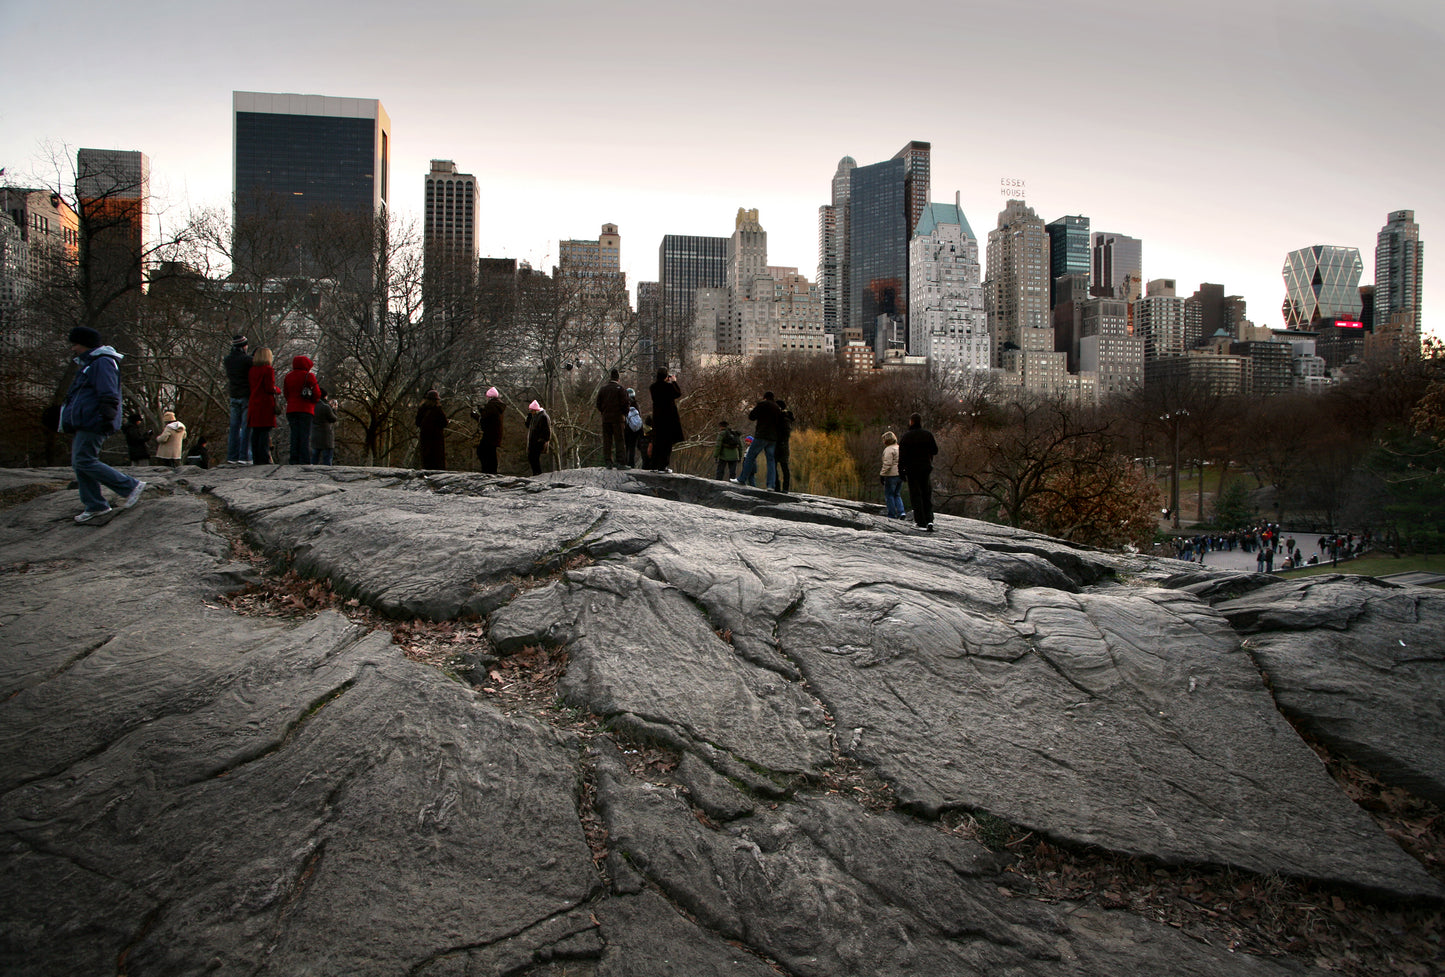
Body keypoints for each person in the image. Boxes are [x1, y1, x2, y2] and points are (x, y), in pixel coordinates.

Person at [59, 326, 146, 523]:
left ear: (85, 344)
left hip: (95, 419)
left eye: (76, 344)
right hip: (86, 419)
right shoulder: (91, 363)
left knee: (83, 460)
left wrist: (108, 411)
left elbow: (107, 390)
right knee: (80, 463)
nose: (73, 349)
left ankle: (129, 486)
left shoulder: (102, 362)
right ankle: (95, 504)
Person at [734, 391, 784, 490]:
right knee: (771, 461)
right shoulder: (777, 408)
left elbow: (752, 416)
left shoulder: (762, 405)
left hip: (762, 435)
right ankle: (771, 485)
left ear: (765, 398)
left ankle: (742, 479)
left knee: (750, 456)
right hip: (773, 438)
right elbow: (780, 424)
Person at [898, 412, 938, 531]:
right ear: (921, 422)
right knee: (926, 494)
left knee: (916, 495)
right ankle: (929, 520)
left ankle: (920, 521)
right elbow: (935, 450)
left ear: (911, 422)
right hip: (925, 467)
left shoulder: (906, 436)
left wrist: (901, 471)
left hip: (912, 469)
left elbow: (902, 456)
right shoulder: (928, 435)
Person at [282, 354, 320, 464]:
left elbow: (286, 393)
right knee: (304, 435)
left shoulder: (288, 376)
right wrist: (313, 401)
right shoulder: (309, 376)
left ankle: (294, 458)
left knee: (294, 434)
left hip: (292, 409)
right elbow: (317, 393)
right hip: (306, 409)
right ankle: (304, 459)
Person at [248, 347, 281, 465]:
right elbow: (269, 387)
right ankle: (264, 457)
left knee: (256, 432)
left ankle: (256, 457)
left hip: (254, 402)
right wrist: (277, 390)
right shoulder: (268, 370)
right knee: (264, 432)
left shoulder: (252, 370)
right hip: (265, 404)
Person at [223, 335, 253, 463]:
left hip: (233, 394)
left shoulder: (227, 360)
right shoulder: (247, 360)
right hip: (246, 395)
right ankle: (243, 456)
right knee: (246, 427)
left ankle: (232, 456)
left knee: (234, 427)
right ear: (243, 346)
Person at [648, 369, 683, 472]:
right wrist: (674, 381)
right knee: (667, 443)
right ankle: (663, 466)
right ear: (666, 377)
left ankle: (654, 465)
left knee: (657, 441)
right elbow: (678, 393)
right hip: (668, 419)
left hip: (657, 418)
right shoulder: (668, 387)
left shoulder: (653, 387)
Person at [595, 368, 629, 469]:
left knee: (607, 441)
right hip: (618, 419)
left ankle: (608, 462)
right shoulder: (621, 389)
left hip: (606, 419)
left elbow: (598, 404)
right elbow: (625, 404)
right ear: (618, 378)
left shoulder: (603, 389)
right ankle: (621, 462)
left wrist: (604, 412)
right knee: (619, 441)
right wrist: (624, 414)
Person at [472, 386, 505, 474]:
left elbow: (484, 418)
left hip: (490, 434)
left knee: (482, 452)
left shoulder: (492, 406)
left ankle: (488, 471)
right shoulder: (497, 406)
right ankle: (491, 471)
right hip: (495, 434)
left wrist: (477, 413)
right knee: (491, 453)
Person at [415, 389, 449, 469]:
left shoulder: (422, 409)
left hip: (425, 437)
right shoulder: (437, 410)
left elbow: (417, 422)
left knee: (426, 457)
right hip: (436, 439)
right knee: (437, 459)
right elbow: (444, 423)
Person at [880, 430, 905, 519]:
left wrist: (882, 475)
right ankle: (901, 512)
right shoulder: (899, 448)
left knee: (889, 495)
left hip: (891, 475)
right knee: (897, 494)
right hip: (900, 474)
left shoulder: (888, 450)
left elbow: (887, 464)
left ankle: (892, 514)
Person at [526, 399, 551, 476]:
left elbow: (547, 430)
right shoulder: (536, 416)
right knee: (532, 458)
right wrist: (529, 418)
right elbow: (528, 425)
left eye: (531, 411)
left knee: (534, 458)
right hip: (534, 441)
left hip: (538, 442)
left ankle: (537, 474)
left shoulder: (543, 417)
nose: (531, 412)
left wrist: (542, 440)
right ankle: (536, 473)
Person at [775, 399, 796, 494]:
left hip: (781, 445)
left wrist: (781, 442)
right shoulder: (784, 417)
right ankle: (779, 487)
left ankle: (784, 488)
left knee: (783, 467)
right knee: (779, 466)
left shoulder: (784, 418)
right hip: (781, 444)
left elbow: (786, 432)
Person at [311, 390, 336, 465]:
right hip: (326, 435)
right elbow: (333, 419)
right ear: (325, 396)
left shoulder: (312, 406)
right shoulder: (326, 407)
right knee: (327, 458)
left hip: (315, 435)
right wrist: (334, 410)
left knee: (314, 457)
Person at [623, 389, 642, 468]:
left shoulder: (625, 404)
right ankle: (631, 463)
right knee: (632, 447)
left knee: (626, 446)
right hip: (635, 430)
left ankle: (625, 462)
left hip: (627, 429)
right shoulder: (636, 404)